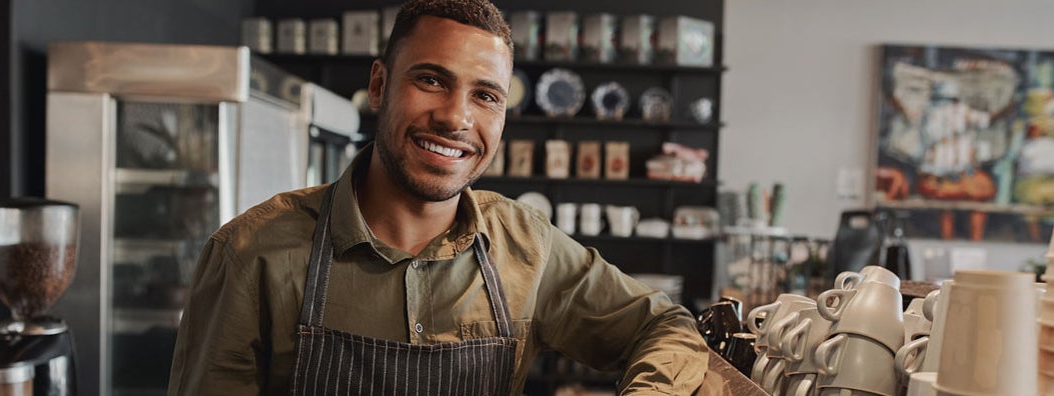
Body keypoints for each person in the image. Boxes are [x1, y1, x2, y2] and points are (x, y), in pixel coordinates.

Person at [167, 0, 709, 394]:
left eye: (485, 95)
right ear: (379, 85)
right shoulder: (250, 254)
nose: (455, 117)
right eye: (430, 80)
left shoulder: (527, 246)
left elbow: (662, 324)